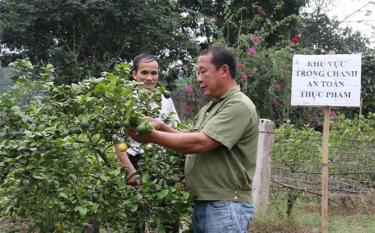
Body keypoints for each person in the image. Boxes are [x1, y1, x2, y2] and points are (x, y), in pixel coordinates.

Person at [126, 46, 259, 233]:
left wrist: (151, 136)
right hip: (207, 202)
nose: (198, 79)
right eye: (197, 73)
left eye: (203, 72)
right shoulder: (210, 108)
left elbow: (201, 142)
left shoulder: (238, 105)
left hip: (226, 205)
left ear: (224, 71)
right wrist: (161, 126)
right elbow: (188, 138)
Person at [114, 53, 180, 186]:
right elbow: (117, 139)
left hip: (162, 163)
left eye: (154, 73)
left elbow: (175, 130)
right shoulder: (124, 99)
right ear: (134, 74)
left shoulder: (165, 99)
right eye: (144, 72)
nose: (150, 78)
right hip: (135, 160)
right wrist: (129, 169)